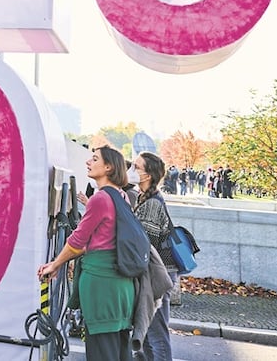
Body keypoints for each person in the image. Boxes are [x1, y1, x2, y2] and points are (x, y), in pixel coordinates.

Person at [38, 145, 134, 361]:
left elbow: (77, 241)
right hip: (122, 286)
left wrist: (55, 264)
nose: (88, 163)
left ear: (108, 167)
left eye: (94, 159)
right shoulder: (122, 197)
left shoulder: (100, 199)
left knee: (101, 351)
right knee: (119, 350)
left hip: (102, 285)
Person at [132, 152, 177, 361]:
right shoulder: (145, 197)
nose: (131, 171)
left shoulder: (151, 204)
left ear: (147, 175)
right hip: (157, 272)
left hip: (157, 275)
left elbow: (145, 245)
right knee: (149, 333)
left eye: (136, 167)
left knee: (156, 335)